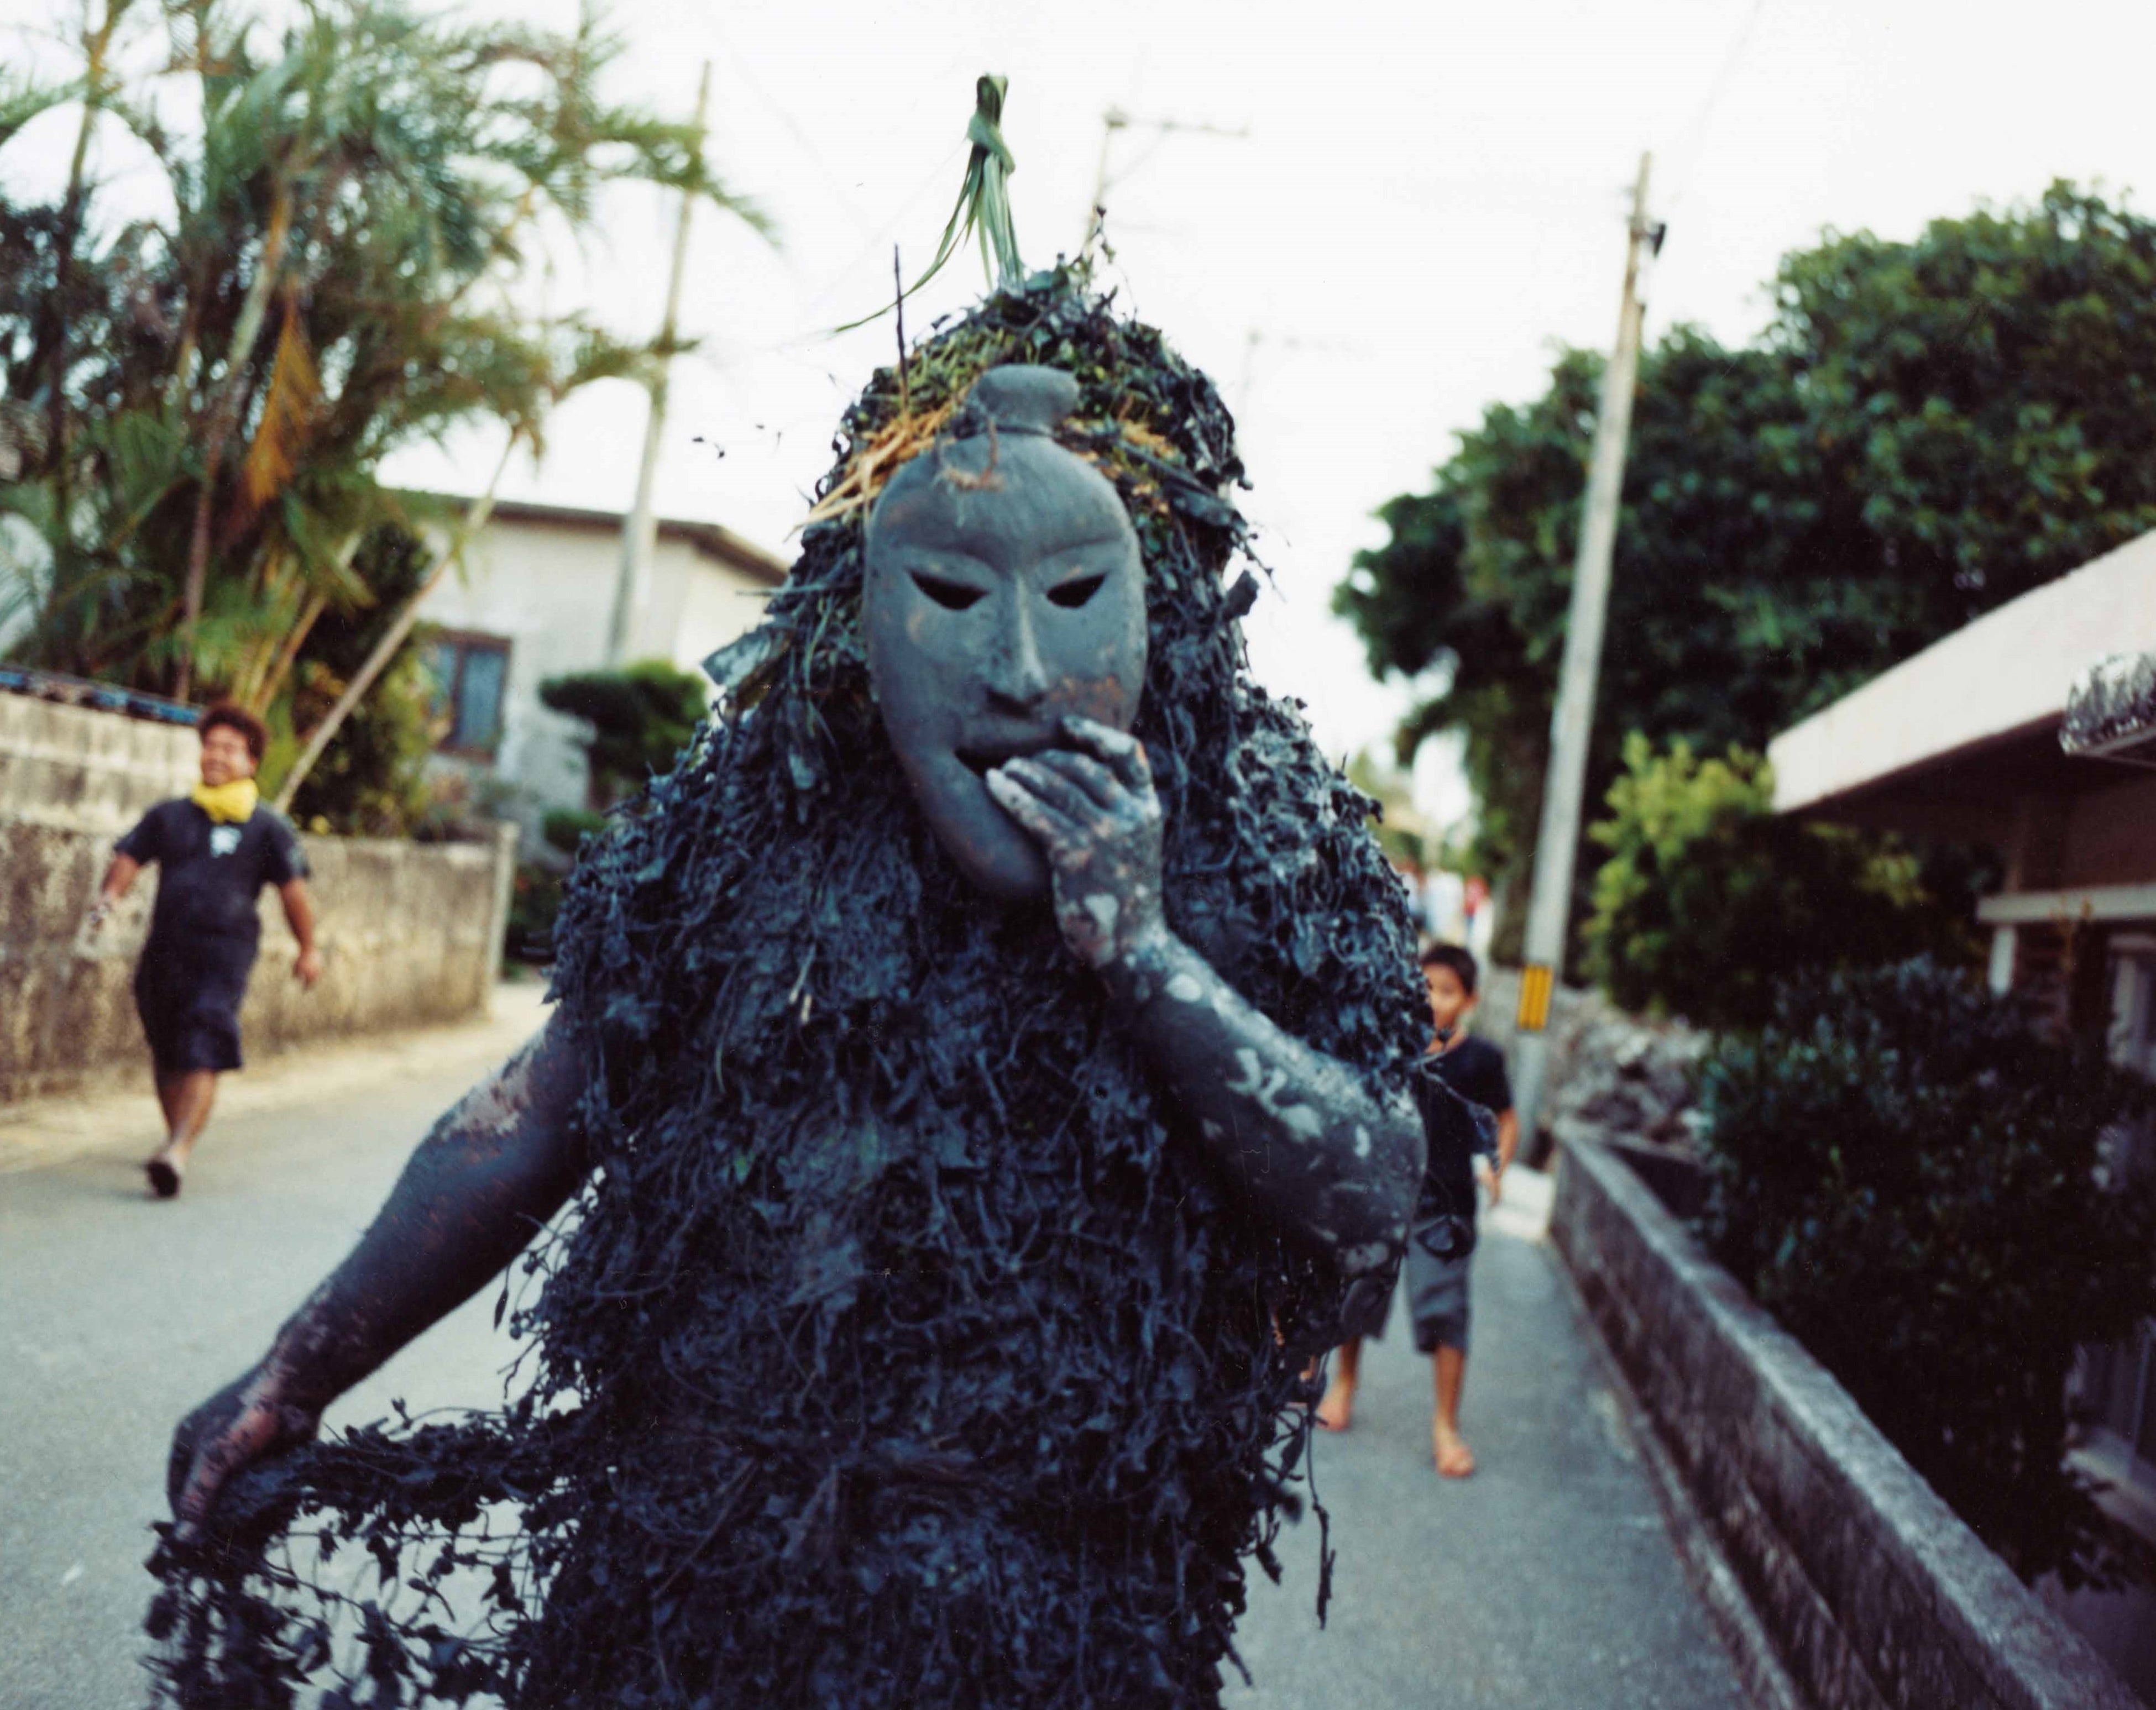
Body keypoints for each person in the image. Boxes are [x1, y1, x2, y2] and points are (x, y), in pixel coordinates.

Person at [150, 319, 1431, 1709]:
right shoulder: (742, 833)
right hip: (686, 1594)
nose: (1012, 668)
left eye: (1070, 597)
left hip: (1052, 1635)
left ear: (1162, 609)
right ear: (859, 614)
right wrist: (302, 1363)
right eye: (947, 591)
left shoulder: (1253, 857)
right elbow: (531, 1114)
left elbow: (1370, 1193)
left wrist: (1141, 954)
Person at [88, 701, 321, 1199]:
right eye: (211, 746)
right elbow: (128, 858)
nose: (217, 756)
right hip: (166, 950)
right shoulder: (170, 815)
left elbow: (294, 892)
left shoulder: (268, 828)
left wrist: (309, 949)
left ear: (251, 761)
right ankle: (175, 1138)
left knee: (205, 1041)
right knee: (167, 1045)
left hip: (225, 954)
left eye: (230, 749)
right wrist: (109, 899)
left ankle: (177, 1151)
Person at [1317, 942, 1517, 1478]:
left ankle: (1445, 1426)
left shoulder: (1482, 1059)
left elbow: (1506, 1118)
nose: (1435, 1000)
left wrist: (1497, 1166)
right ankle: (1341, 1386)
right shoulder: (1390, 1046)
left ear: (1470, 999)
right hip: (1382, 1192)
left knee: (1446, 1310)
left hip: (1446, 1204)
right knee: (1356, 1295)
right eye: (1426, 987)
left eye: (1448, 991)